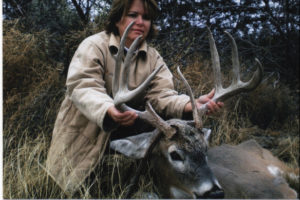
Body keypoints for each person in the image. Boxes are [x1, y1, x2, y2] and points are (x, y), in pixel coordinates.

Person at [46, 0, 224, 196]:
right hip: (87, 135)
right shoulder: (94, 45)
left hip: (128, 133)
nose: (140, 22)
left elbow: (162, 95)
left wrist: (190, 105)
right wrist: (107, 109)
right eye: (133, 15)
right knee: (74, 189)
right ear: (117, 19)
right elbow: (83, 85)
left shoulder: (153, 58)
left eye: (146, 17)